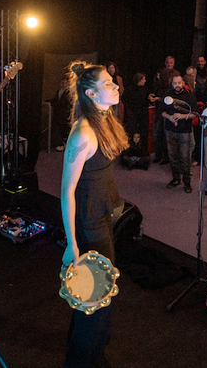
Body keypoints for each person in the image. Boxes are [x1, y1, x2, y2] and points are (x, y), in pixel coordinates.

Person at [59, 61, 128, 368]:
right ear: (91, 93)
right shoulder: (83, 133)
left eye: (113, 82)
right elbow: (67, 191)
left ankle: (87, 352)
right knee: (98, 297)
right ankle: (83, 360)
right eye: (108, 84)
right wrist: (72, 244)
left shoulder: (103, 117)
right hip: (89, 222)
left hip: (102, 214)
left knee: (94, 293)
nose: (115, 86)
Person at [162, 74, 197, 193]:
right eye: (175, 83)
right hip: (170, 130)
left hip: (184, 132)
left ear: (183, 83)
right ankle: (176, 179)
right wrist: (169, 117)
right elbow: (161, 112)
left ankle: (187, 182)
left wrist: (182, 116)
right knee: (172, 157)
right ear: (172, 84)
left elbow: (195, 114)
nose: (177, 85)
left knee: (185, 158)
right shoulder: (167, 95)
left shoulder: (189, 96)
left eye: (179, 83)